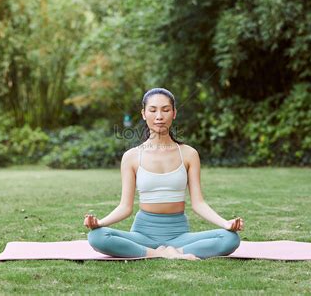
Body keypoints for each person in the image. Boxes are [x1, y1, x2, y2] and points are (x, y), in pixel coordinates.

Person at [83, 88, 244, 260]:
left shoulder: (189, 154)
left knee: (230, 239)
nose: (159, 116)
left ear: (174, 113)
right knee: (96, 236)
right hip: (143, 236)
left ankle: (175, 252)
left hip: (179, 236)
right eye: (153, 110)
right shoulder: (131, 157)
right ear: (144, 114)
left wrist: (225, 224)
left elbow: (198, 204)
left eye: (165, 110)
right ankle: (160, 254)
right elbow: (125, 207)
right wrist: (99, 223)